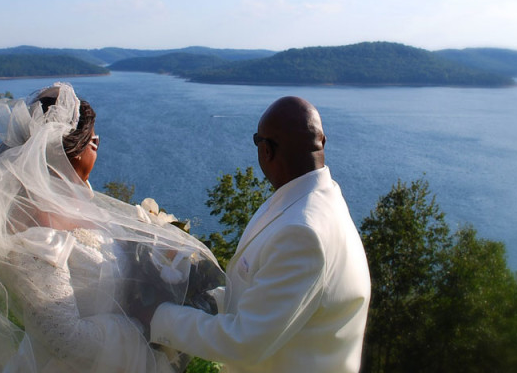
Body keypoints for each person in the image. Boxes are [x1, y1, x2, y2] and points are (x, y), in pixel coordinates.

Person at [0, 82, 223, 373]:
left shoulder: (78, 203)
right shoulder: (36, 233)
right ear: (68, 150)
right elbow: (63, 339)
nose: (98, 147)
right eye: (93, 141)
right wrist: (143, 325)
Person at [148, 96, 371, 373]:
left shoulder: (302, 233)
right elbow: (266, 294)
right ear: (322, 141)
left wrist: (159, 316)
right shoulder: (319, 200)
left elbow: (244, 342)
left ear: (266, 150)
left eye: (257, 141)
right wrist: (202, 299)